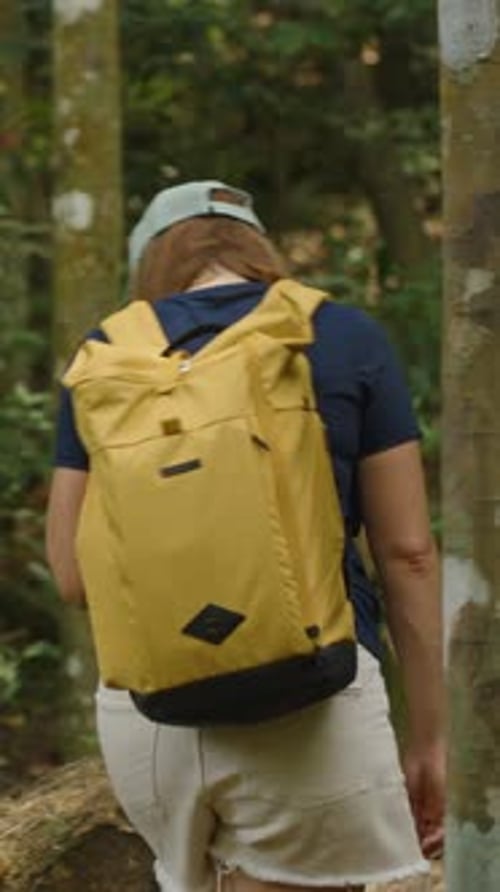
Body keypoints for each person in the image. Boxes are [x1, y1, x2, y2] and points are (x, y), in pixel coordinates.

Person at [46, 180, 445, 892]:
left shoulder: (105, 355)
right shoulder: (338, 333)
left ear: (153, 264)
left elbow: (74, 577)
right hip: (312, 700)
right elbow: (408, 555)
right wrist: (433, 737)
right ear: (260, 251)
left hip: (150, 709)